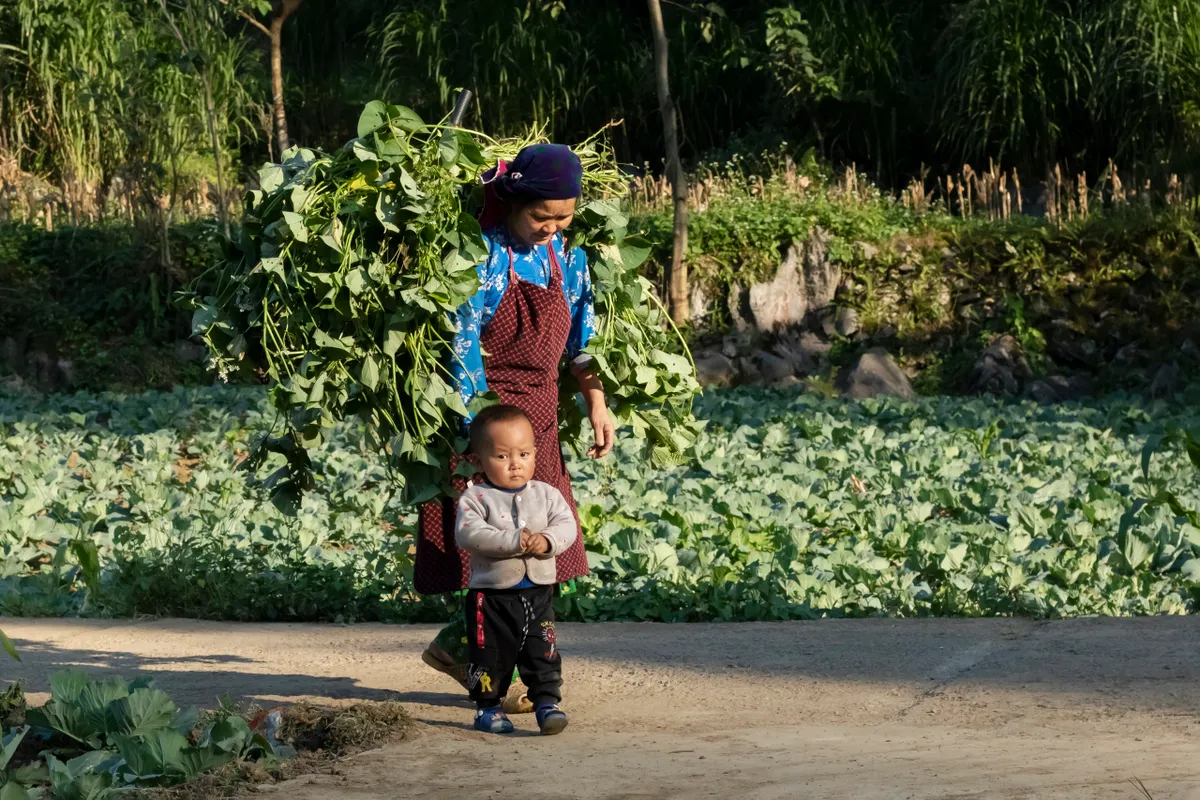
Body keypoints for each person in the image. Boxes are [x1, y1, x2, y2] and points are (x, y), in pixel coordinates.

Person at [415, 143, 615, 714]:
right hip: (486, 422)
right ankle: (491, 662)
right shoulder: (482, 257)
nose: (551, 228)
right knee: (488, 552)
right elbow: (462, 343)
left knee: (547, 548)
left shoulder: (569, 263)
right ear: (511, 203)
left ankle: (475, 654)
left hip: (539, 427)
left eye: (563, 218)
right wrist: (477, 432)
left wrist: (597, 403)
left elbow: (583, 347)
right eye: (540, 217)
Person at [455, 404, 576, 734]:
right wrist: (512, 540)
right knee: (490, 655)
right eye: (502, 457)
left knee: (544, 650)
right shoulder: (475, 499)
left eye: (524, 454)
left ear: (535, 452)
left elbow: (567, 526)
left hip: (537, 593)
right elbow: (469, 534)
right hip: (491, 598)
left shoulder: (547, 495)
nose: (515, 465)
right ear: (479, 461)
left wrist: (548, 540)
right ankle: (488, 708)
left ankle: (547, 703)